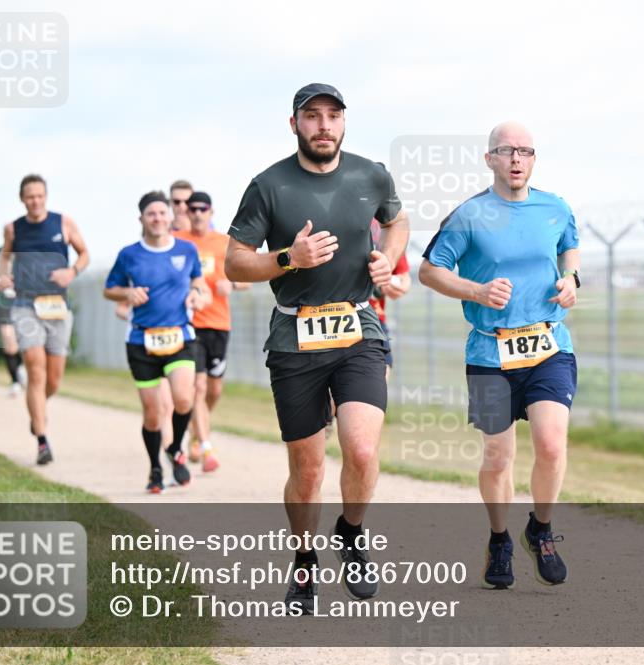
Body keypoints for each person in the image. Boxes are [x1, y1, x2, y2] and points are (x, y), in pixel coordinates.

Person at [225, 83, 409, 613]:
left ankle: (350, 532)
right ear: (295, 125)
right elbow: (235, 262)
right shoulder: (268, 185)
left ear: (344, 123)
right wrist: (289, 259)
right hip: (294, 337)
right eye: (312, 116)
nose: (323, 125)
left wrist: (388, 258)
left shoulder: (371, 174)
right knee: (307, 470)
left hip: (358, 330)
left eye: (333, 116)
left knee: (363, 448)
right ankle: (304, 562)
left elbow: (397, 220)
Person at [418, 122, 580, 590]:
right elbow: (430, 271)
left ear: (533, 160)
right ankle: (499, 539)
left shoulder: (555, 207)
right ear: (489, 158)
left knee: (551, 444)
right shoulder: (470, 215)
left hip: (548, 345)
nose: (516, 159)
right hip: (490, 352)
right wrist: (477, 290)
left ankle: (542, 530)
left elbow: (570, 249)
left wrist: (572, 281)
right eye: (506, 151)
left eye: (525, 151)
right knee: (497, 456)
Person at [104, 191, 210, 493]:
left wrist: (197, 296)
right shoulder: (129, 254)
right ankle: (154, 468)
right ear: (142, 219)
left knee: (184, 399)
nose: (158, 218)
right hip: (141, 340)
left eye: (162, 213)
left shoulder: (187, 251)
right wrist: (127, 294)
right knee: (152, 414)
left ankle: (175, 447)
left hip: (180, 336)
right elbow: (110, 290)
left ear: (170, 217)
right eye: (151, 214)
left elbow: (199, 284)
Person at [0, 174, 90, 465]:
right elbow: (4, 257)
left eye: (39, 196)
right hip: (25, 304)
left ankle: (37, 412)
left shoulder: (64, 223)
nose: (35, 201)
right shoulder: (13, 229)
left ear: (45, 196)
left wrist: (72, 272)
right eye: (29, 196)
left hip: (57, 307)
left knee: (53, 380)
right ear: (22, 199)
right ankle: (42, 439)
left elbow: (84, 253)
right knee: (35, 371)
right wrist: (2, 276)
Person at [175, 191, 248, 471]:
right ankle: (206, 447)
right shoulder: (179, 241)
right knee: (198, 386)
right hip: (190, 324)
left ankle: (196, 429)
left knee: (214, 390)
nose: (196, 213)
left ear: (211, 211)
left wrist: (233, 286)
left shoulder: (224, 243)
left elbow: (245, 279)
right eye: (192, 208)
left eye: (202, 208)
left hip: (219, 324)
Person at [368, 218, 411, 376]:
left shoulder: (386, 225)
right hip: (327, 314)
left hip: (373, 319)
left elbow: (404, 278)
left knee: (378, 382)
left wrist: (395, 285)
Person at [0, 245, 26, 396]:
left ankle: (21, 367)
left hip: (24, 304)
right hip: (3, 304)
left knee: (25, 341)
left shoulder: (26, 250)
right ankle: (15, 381)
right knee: (8, 339)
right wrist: (1, 272)